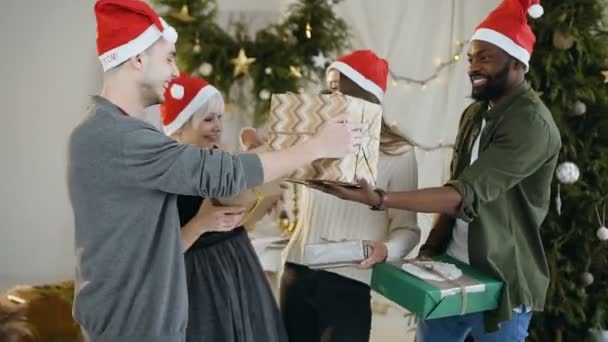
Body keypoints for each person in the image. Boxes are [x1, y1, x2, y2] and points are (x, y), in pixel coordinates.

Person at [67, 1, 360, 341]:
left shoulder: (105, 130)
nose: (175, 72)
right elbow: (221, 174)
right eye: (168, 58)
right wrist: (316, 146)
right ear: (137, 59)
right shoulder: (121, 137)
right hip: (135, 325)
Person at [308, 1, 562, 341]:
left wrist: (380, 198)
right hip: (451, 273)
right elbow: (454, 184)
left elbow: (462, 195)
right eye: (471, 58)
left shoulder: (532, 125)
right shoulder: (475, 115)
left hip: (501, 283)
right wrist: (430, 249)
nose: (473, 66)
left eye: (485, 57)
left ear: (517, 60)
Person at [279, 50, 421, 342]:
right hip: (297, 274)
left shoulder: (399, 152)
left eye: (335, 88)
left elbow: (407, 228)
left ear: (363, 94)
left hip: (350, 282)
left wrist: (386, 250)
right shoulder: (313, 137)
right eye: (327, 87)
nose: (327, 97)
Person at [159, 72, 288, 342]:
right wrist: (201, 223)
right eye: (208, 119)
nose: (218, 126)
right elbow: (158, 255)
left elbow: (243, 213)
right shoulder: (167, 175)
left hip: (239, 265)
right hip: (199, 281)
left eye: (219, 118)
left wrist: (263, 198)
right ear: (180, 126)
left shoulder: (220, 160)